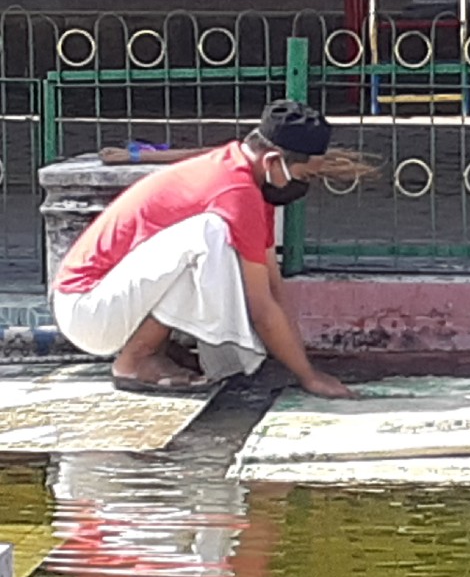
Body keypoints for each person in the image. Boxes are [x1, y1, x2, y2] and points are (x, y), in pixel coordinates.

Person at [51, 99, 374, 399]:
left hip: (108, 305)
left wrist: (303, 363)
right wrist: (309, 377)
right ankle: (138, 359)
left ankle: (155, 349)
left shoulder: (246, 177)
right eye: (305, 175)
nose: (303, 185)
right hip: (87, 310)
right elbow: (261, 305)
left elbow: (274, 286)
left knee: (218, 241)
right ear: (274, 160)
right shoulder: (235, 191)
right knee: (211, 234)